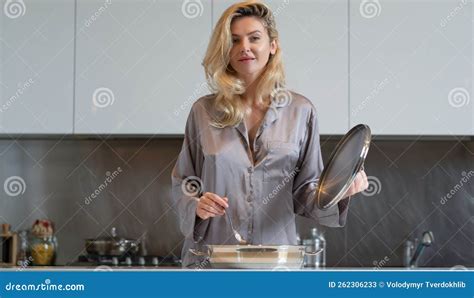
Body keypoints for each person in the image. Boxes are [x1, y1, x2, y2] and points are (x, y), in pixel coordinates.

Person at [171, 1, 368, 267]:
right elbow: (184, 180)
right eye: (234, 40)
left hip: (276, 265)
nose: (245, 47)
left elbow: (306, 193)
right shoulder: (203, 111)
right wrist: (196, 205)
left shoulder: (301, 111)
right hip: (211, 262)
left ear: (272, 45)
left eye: (254, 38)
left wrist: (340, 191)